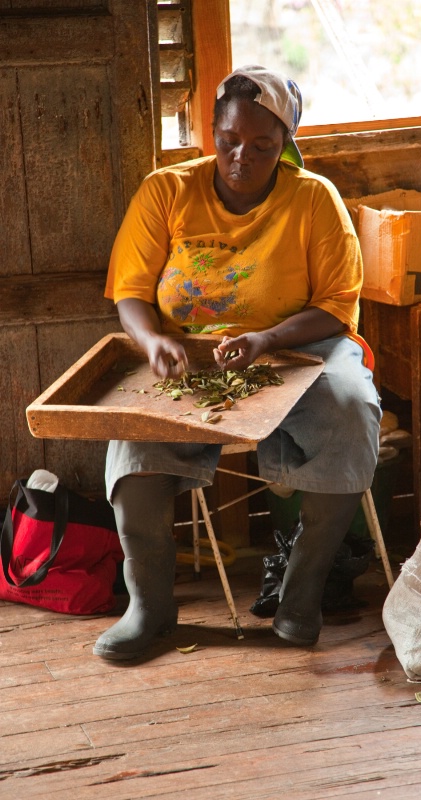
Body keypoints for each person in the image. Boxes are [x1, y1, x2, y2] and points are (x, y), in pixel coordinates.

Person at [94, 64, 382, 660]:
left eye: (262, 145)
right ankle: (148, 605)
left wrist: (268, 340)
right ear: (211, 132)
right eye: (228, 141)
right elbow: (132, 294)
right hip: (185, 353)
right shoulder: (166, 190)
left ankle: (302, 591)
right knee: (132, 440)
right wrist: (152, 342)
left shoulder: (313, 198)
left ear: (286, 145)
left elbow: (336, 305)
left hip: (301, 349)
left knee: (353, 411)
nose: (241, 156)